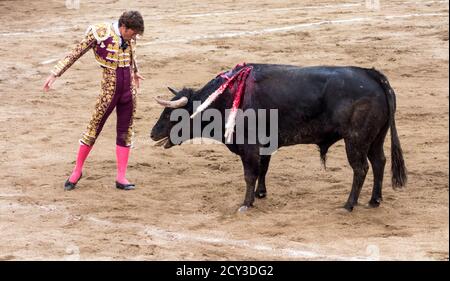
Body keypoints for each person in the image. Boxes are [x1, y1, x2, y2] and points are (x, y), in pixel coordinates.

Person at [43, 11, 145, 191]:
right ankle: (77, 171)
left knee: (125, 132)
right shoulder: (100, 33)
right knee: (93, 129)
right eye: (133, 33)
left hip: (128, 92)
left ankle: (121, 177)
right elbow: (76, 52)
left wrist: (135, 72)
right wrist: (55, 73)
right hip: (109, 91)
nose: (134, 36)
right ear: (123, 27)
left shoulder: (130, 37)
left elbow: (131, 55)